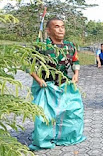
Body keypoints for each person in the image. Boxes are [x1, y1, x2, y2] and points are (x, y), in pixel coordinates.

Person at [29, 18, 86, 150]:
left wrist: (76, 75)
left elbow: (75, 62)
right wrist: (38, 79)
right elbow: (29, 65)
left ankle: (66, 136)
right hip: (46, 86)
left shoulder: (70, 46)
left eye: (62, 26)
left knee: (73, 111)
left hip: (64, 84)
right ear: (48, 30)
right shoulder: (42, 47)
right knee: (44, 115)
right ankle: (43, 139)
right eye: (56, 26)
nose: (61, 29)